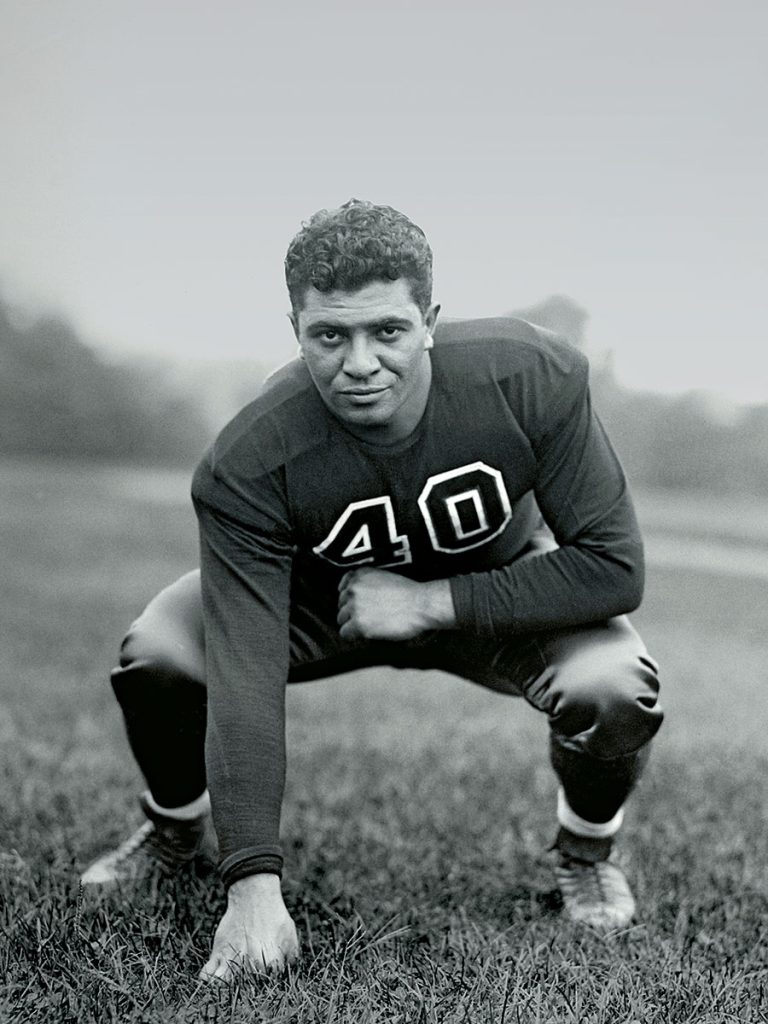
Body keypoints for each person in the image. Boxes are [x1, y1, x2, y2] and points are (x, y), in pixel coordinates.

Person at [81, 199, 663, 979]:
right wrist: (252, 884)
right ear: (295, 329)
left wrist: (434, 603)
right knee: (160, 650)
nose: (360, 363)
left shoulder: (528, 374)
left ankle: (586, 850)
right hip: (325, 600)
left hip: (500, 585)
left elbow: (613, 566)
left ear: (430, 319)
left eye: (386, 330)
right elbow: (244, 671)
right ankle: (174, 827)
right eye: (331, 335)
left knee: (615, 684)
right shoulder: (250, 460)